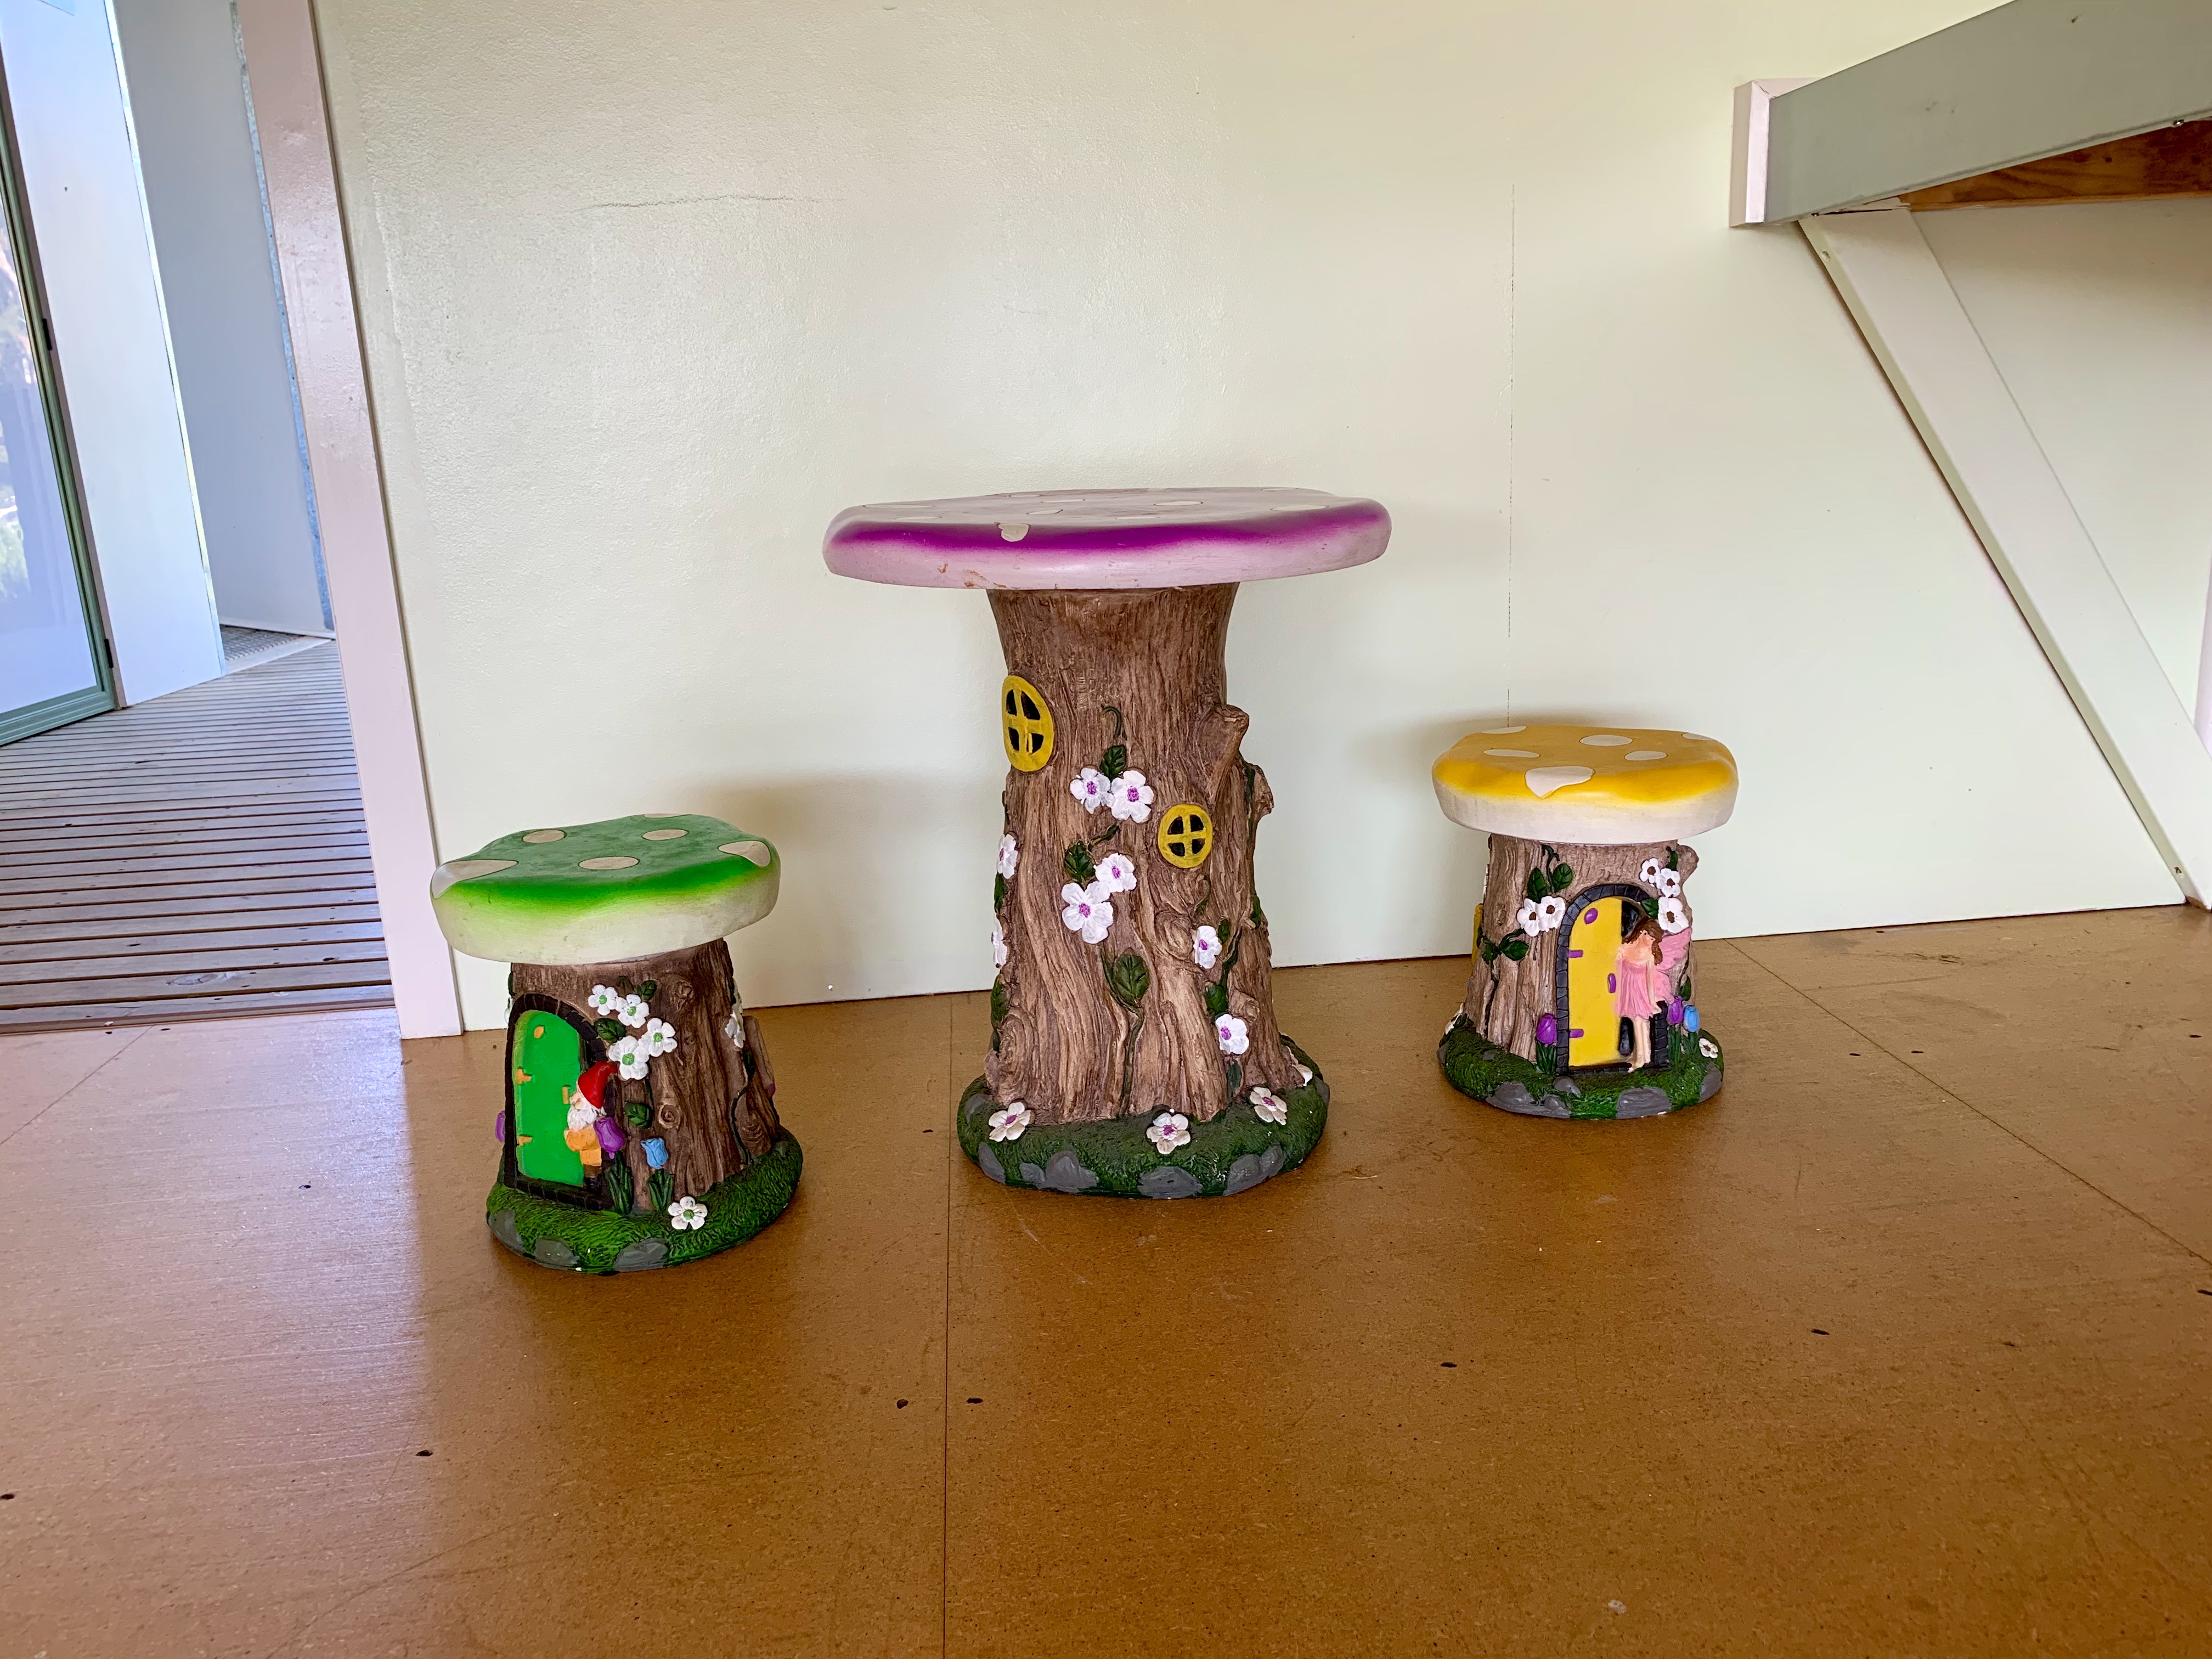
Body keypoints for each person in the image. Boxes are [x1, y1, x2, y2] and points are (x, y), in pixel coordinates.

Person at [1613, 912, 1690, 1069]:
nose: (1651, 942)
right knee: (1637, 1021)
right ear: (1643, 933)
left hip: (1640, 991)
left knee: (1640, 1021)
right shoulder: (1626, 949)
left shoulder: (1649, 955)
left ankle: (1642, 1057)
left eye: (1654, 940)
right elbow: (1619, 970)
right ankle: (1643, 1057)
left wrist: (1651, 1000)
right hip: (1628, 989)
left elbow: (1650, 980)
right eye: (1651, 938)